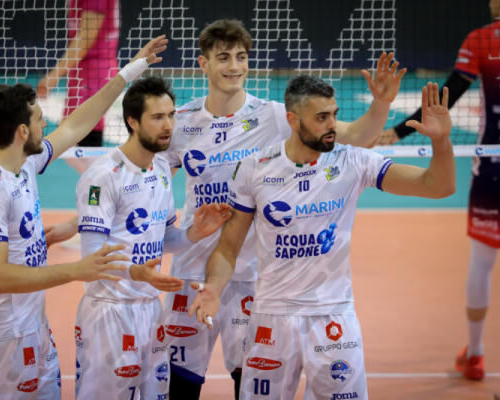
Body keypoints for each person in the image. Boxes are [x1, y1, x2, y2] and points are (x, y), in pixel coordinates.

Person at [159, 19, 406, 399]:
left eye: (241, 57)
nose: (234, 66)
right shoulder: (182, 123)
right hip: (192, 270)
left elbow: (358, 136)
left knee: (250, 381)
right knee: (178, 383)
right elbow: (150, 180)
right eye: (223, 57)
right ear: (203, 63)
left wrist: (382, 103)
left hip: (250, 274)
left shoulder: (273, 115)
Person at [188, 76, 455, 399]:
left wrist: (442, 142)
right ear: (292, 120)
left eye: (334, 114)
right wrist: (214, 288)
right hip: (272, 316)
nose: (332, 125)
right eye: (321, 117)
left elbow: (438, 186)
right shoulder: (255, 168)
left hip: (333, 316)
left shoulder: (354, 161)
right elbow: (228, 248)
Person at [0, 36, 167, 399]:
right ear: (23, 132)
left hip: (33, 326)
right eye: (41, 119)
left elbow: (75, 125)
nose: (47, 124)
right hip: (1, 335)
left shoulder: (24, 163)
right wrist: (76, 270)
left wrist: (132, 70)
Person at [73, 76, 232, 399]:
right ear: (132, 121)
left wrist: (195, 232)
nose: (169, 125)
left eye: (171, 115)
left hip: (149, 309)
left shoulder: (160, 169)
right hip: (111, 311)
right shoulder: (102, 176)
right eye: (158, 117)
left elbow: (166, 238)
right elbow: (90, 260)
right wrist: (136, 272)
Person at [378, 0, 500, 381]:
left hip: (493, 167)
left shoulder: (482, 40)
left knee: (482, 261)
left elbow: (450, 93)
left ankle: (476, 354)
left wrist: (397, 132)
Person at [37, 0, 120, 174]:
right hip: (82, 70)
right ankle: (97, 183)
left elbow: (86, 38)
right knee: (70, 145)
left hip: (95, 71)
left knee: (81, 144)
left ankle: (102, 185)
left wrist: (54, 76)